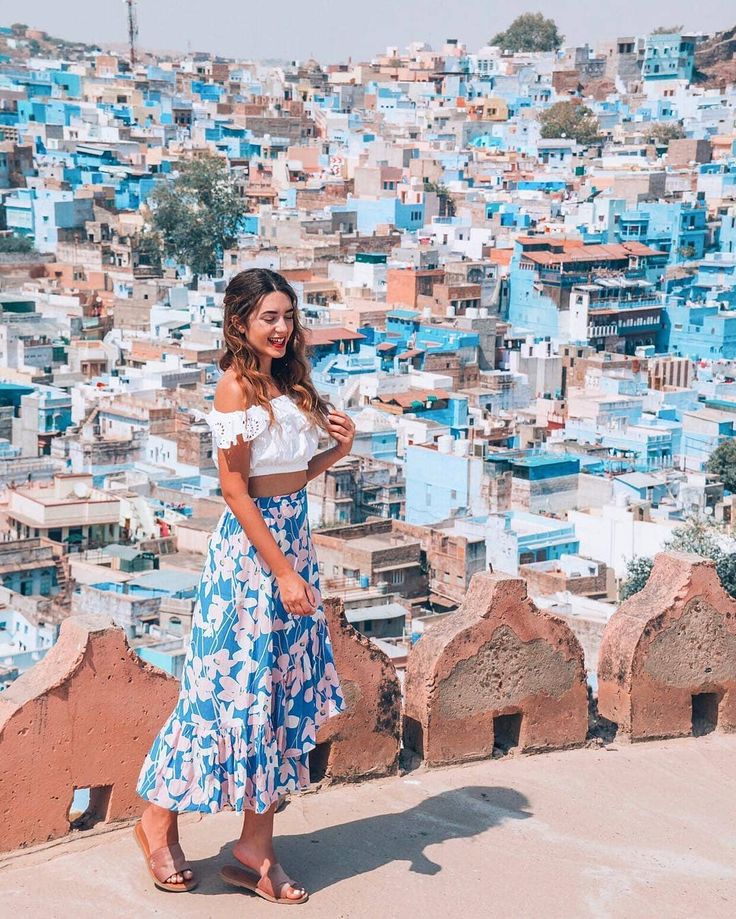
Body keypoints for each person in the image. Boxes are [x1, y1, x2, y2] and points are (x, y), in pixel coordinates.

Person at [135, 268, 354, 903]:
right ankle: (157, 820)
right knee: (222, 692)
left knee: (280, 694)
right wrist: (281, 572)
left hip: (292, 539)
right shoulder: (234, 388)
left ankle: (253, 849)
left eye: (288, 316)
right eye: (269, 318)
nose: (282, 328)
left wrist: (335, 455)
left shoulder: (290, 379)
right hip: (252, 559)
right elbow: (235, 491)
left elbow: (290, 478)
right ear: (240, 324)